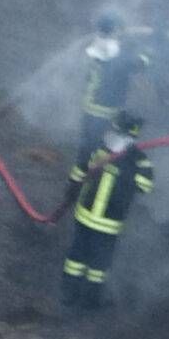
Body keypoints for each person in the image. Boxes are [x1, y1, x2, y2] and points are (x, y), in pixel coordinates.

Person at [61, 111, 154, 309]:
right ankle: (80, 300)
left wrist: (72, 188)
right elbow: (79, 171)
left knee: (85, 259)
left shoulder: (133, 158)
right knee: (92, 262)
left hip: (94, 220)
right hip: (101, 223)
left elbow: (145, 185)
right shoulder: (132, 158)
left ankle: (75, 297)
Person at [66, 12, 150, 201]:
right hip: (104, 114)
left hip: (90, 110)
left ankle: (73, 190)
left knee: (85, 152)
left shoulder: (97, 46)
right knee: (107, 151)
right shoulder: (117, 55)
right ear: (114, 30)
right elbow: (142, 64)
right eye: (120, 29)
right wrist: (144, 49)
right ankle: (96, 192)